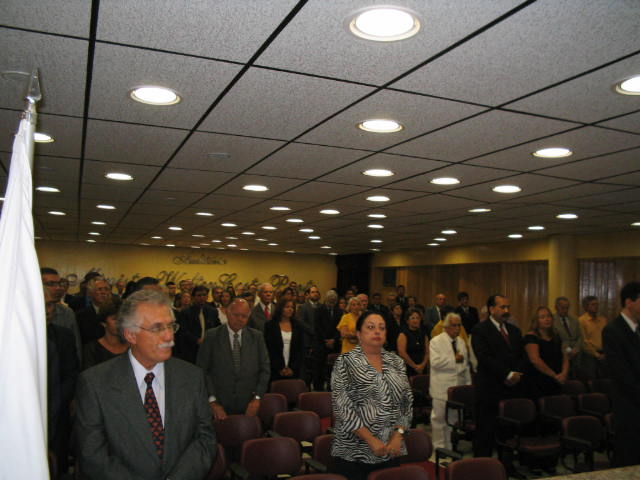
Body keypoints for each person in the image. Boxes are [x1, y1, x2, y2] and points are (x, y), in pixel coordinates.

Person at [75, 289, 216, 479]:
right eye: (157, 328)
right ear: (130, 335)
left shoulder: (192, 377)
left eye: (170, 326)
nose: (169, 336)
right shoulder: (95, 383)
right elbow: (92, 454)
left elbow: (205, 439)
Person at [331, 311, 413, 480]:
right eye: (370, 327)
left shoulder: (396, 362)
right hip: (355, 452)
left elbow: (406, 404)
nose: (377, 331)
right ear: (359, 334)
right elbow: (343, 408)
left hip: (391, 449)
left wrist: (398, 436)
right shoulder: (345, 362)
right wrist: (371, 440)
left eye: (381, 328)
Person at [197, 298, 270, 420]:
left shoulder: (257, 337)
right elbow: (202, 370)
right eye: (236, 315)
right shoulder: (212, 336)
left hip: (249, 404)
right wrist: (212, 401)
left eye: (244, 316)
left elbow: (265, 369)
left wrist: (257, 398)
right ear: (227, 313)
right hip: (219, 404)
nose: (240, 319)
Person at [471, 294, 525, 458]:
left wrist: (516, 373)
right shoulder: (480, 330)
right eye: (502, 307)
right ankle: (482, 466)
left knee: (507, 431)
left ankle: (506, 464)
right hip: (489, 388)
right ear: (491, 309)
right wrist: (507, 374)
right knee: (486, 431)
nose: (506, 310)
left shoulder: (514, 331)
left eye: (508, 307)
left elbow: (521, 356)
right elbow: (484, 357)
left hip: (511, 388)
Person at [602, 281, 640, 467]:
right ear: (629, 302)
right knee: (629, 457)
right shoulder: (613, 331)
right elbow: (622, 374)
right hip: (629, 405)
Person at [429, 313, 471, 450]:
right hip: (441, 387)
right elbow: (435, 363)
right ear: (446, 327)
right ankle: (439, 447)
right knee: (439, 419)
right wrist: (454, 359)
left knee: (453, 419)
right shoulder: (436, 341)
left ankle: (450, 446)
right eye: (454, 325)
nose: (457, 328)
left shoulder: (461, 342)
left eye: (459, 325)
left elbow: (465, 365)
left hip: (457, 387)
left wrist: (468, 385)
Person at [522, 306, 569, 400]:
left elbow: (564, 356)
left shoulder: (556, 336)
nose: (547, 319)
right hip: (539, 381)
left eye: (548, 316)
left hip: (557, 380)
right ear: (536, 320)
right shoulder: (530, 337)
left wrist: (564, 373)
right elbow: (535, 360)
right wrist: (554, 376)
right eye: (542, 317)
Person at [177, 285, 220, 364]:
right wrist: (197, 340)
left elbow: (217, 327)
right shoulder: (186, 312)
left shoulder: (213, 311)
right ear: (193, 297)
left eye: (204, 295)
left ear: (207, 296)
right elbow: (183, 331)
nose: (202, 297)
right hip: (191, 349)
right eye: (199, 295)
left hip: (208, 348)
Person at [264, 299, 306, 381]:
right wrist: (280, 367)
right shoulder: (270, 325)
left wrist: (292, 368)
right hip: (275, 368)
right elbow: (269, 349)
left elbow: (300, 349)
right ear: (280, 308)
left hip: (294, 368)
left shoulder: (298, 326)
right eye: (287, 307)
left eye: (292, 307)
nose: (290, 309)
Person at [83, 303, 129, 370]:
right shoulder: (92, 349)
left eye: (122, 319)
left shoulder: (132, 346)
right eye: (115, 319)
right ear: (104, 323)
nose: (120, 323)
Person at [552, 296, 584, 379]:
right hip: (562, 351)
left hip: (577, 352)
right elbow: (558, 340)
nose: (565, 310)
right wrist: (569, 350)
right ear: (556, 307)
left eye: (567, 308)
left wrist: (577, 348)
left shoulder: (574, 319)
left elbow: (580, 336)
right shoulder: (552, 320)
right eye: (563, 308)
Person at [578, 295, 609, 379]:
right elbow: (584, 341)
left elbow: (607, 337)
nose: (596, 306)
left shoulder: (603, 320)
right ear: (586, 307)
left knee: (605, 379)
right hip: (590, 355)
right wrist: (596, 355)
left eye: (597, 304)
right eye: (593, 304)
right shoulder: (582, 321)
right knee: (592, 379)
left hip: (604, 353)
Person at [397, 308, 429, 376]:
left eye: (417, 318)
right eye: (413, 318)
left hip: (422, 367)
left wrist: (422, 365)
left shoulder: (424, 334)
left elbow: (427, 352)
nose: (415, 320)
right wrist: (415, 366)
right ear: (407, 321)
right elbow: (402, 353)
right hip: (409, 368)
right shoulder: (403, 334)